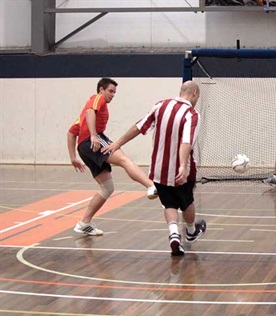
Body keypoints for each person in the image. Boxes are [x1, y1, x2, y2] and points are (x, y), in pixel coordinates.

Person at [101, 80, 206, 256]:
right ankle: (190, 231)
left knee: (169, 203)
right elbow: (186, 142)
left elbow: (138, 127)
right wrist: (181, 166)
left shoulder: (160, 106)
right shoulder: (191, 114)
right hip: (182, 170)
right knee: (187, 201)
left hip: (158, 170)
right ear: (195, 94)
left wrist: (117, 143)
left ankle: (174, 235)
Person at [68, 77, 157, 236]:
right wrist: (94, 135)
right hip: (93, 140)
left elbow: (71, 132)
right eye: (110, 91)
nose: (112, 95)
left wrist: (73, 157)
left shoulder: (83, 116)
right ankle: (151, 186)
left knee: (107, 188)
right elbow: (90, 111)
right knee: (123, 159)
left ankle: (84, 223)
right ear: (101, 90)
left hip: (83, 147)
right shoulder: (96, 99)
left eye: (114, 92)